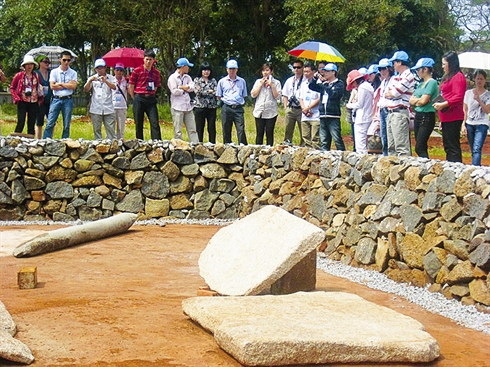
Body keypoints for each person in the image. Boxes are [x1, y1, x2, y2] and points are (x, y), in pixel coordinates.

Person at [433, 51, 467, 163]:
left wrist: (443, 104)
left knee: (453, 145)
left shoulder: (458, 77)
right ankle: (450, 166)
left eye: (444, 64)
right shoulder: (448, 77)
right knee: (447, 145)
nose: (442, 67)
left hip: (454, 115)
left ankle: (456, 167)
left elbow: (458, 96)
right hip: (446, 116)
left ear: (451, 63)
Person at [308, 63, 345, 151]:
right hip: (323, 115)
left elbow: (334, 94)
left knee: (337, 138)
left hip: (333, 115)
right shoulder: (324, 84)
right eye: (324, 71)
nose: (325, 73)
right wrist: (314, 78)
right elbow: (311, 86)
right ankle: (325, 158)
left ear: (333, 72)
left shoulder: (339, 84)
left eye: (328, 71)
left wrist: (324, 83)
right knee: (324, 140)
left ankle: (343, 155)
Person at [385, 50, 414, 156]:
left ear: (400, 62)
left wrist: (392, 93)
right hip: (391, 111)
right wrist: (392, 93)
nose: (393, 65)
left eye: (394, 62)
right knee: (391, 147)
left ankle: (404, 169)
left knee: (401, 147)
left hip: (400, 112)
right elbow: (387, 92)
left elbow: (396, 92)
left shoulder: (408, 75)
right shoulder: (397, 76)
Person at [43, 50, 78, 139]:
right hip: (56, 98)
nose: (66, 62)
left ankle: (65, 141)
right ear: (60, 60)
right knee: (50, 122)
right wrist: (67, 85)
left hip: (68, 99)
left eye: (68, 60)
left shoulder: (73, 73)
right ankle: (46, 141)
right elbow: (52, 86)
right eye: (64, 60)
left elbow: (73, 86)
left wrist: (60, 84)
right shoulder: (54, 72)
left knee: (66, 124)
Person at [128, 49, 162, 140]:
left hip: (150, 99)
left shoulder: (156, 73)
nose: (148, 61)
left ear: (153, 60)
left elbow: (156, 86)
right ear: (143, 59)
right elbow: (131, 86)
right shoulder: (137, 70)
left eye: (150, 59)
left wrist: (150, 93)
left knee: (154, 122)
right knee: (138, 122)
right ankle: (140, 141)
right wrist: (134, 97)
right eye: (146, 59)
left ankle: (157, 142)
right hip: (139, 97)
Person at [409, 58, 439, 158]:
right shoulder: (421, 84)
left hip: (427, 116)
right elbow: (411, 100)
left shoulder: (432, 83)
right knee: (420, 144)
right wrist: (419, 101)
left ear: (425, 69)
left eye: (418, 69)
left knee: (419, 146)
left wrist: (417, 101)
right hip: (418, 115)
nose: (417, 72)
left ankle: (426, 165)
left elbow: (423, 101)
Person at [10, 55, 44, 136]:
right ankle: (16, 139)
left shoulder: (36, 75)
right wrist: (16, 98)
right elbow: (12, 87)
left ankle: (31, 142)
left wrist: (40, 99)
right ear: (24, 65)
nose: (29, 66)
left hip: (34, 102)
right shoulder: (19, 75)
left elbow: (40, 88)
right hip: (22, 101)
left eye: (31, 64)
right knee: (21, 121)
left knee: (31, 123)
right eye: (28, 64)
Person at [216, 59, 248, 145]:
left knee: (240, 129)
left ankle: (243, 147)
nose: (232, 71)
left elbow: (244, 95)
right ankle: (227, 146)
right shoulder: (222, 81)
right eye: (230, 69)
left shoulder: (242, 81)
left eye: (234, 69)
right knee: (226, 129)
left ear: (237, 69)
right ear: (227, 69)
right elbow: (219, 95)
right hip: (227, 107)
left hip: (238, 107)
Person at [167, 57, 199, 143]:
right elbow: (174, 91)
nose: (188, 68)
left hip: (188, 107)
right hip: (177, 107)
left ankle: (195, 144)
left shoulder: (187, 77)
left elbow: (192, 87)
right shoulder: (172, 78)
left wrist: (182, 87)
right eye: (187, 66)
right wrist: (185, 89)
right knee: (178, 130)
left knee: (192, 128)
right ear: (183, 66)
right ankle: (179, 147)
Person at [84, 58, 117, 140]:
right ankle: (98, 146)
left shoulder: (111, 77)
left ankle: (111, 146)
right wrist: (89, 81)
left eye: (102, 67)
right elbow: (86, 89)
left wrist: (105, 81)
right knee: (97, 130)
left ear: (105, 67)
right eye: (98, 68)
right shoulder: (92, 78)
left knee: (111, 130)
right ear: (95, 69)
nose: (100, 70)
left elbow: (114, 87)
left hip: (108, 107)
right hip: (96, 107)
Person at [462, 69, 490, 166]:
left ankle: (475, 168)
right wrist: (463, 124)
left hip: (482, 123)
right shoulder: (468, 93)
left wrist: (479, 100)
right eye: (478, 78)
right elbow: (465, 109)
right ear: (474, 79)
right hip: (470, 123)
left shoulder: (488, 95)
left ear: (485, 80)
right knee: (473, 148)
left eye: (481, 79)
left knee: (477, 148)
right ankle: (476, 166)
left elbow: (487, 110)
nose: (479, 81)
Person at [250, 63, 281, 146]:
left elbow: (277, 97)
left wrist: (272, 85)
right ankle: (258, 152)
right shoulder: (258, 81)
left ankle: (269, 152)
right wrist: (260, 84)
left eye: (267, 70)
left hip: (271, 112)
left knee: (269, 133)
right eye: (263, 70)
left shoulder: (276, 82)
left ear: (271, 71)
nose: (265, 72)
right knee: (259, 133)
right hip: (259, 111)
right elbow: (253, 94)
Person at [346, 69, 374, 154]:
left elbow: (360, 104)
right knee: (362, 142)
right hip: (366, 116)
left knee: (360, 144)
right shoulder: (368, 86)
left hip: (362, 118)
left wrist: (349, 105)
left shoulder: (362, 87)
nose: (353, 86)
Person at [282, 59, 305, 146]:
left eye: (298, 67)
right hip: (291, 108)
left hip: (301, 109)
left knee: (303, 129)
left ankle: (303, 146)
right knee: (288, 128)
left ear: (302, 68)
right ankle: (287, 143)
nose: (296, 69)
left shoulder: (306, 80)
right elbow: (285, 94)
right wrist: (285, 108)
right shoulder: (290, 80)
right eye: (294, 67)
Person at [193, 61, 218, 143]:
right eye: (204, 70)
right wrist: (209, 91)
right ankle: (199, 144)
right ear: (201, 71)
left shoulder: (213, 80)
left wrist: (204, 91)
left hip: (211, 107)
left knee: (211, 127)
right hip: (200, 107)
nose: (206, 72)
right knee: (199, 128)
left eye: (208, 70)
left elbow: (216, 92)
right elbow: (198, 93)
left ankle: (212, 144)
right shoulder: (197, 80)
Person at [299, 63, 321, 149]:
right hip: (305, 115)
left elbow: (319, 98)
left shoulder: (318, 83)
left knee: (315, 138)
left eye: (308, 72)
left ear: (313, 72)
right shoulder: (303, 84)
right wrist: (304, 109)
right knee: (305, 137)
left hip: (315, 115)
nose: (306, 74)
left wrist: (309, 108)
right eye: (304, 72)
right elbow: (301, 98)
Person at [376, 58, 395, 156]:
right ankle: (385, 155)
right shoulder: (383, 82)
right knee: (384, 136)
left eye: (384, 69)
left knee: (390, 135)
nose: (382, 71)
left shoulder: (394, 80)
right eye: (380, 69)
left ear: (389, 69)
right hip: (382, 110)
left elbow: (391, 95)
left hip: (389, 109)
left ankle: (390, 156)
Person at [34, 55, 52, 139]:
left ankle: (49, 139)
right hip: (39, 100)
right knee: (39, 121)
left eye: (48, 62)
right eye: (45, 62)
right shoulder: (36, 73)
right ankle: (38, 140)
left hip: (50, 99)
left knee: (51, 121)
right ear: (39, 63)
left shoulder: (51, 73)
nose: (47, 64)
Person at [112, 62, 129, 140]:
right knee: (111, 128)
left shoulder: (126, 81)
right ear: (114, 70)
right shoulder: (110, 80)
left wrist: (130, 81)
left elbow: (129, 91)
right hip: (112, 106)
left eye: (121, 70)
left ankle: (120, 143)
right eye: (117, 70)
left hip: (122, 106)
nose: (119, 72)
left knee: (121, 129)